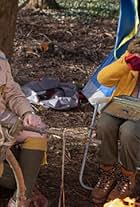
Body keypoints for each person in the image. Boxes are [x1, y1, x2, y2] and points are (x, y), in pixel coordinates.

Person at [91, 38, 140, 204]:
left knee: (129, 132)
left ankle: (127, 177)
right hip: (123, 105)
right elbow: (103, 78)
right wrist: (127, 61)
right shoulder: (133, 54)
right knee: (104, 125)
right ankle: (108, 173)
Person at [0, 50, 48, 207]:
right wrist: (13, 120)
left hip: (4, 124)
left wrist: (27, 113)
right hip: (5, 123)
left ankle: (22, 198)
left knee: (38, 133)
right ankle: (28, 184)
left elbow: (12, 93)